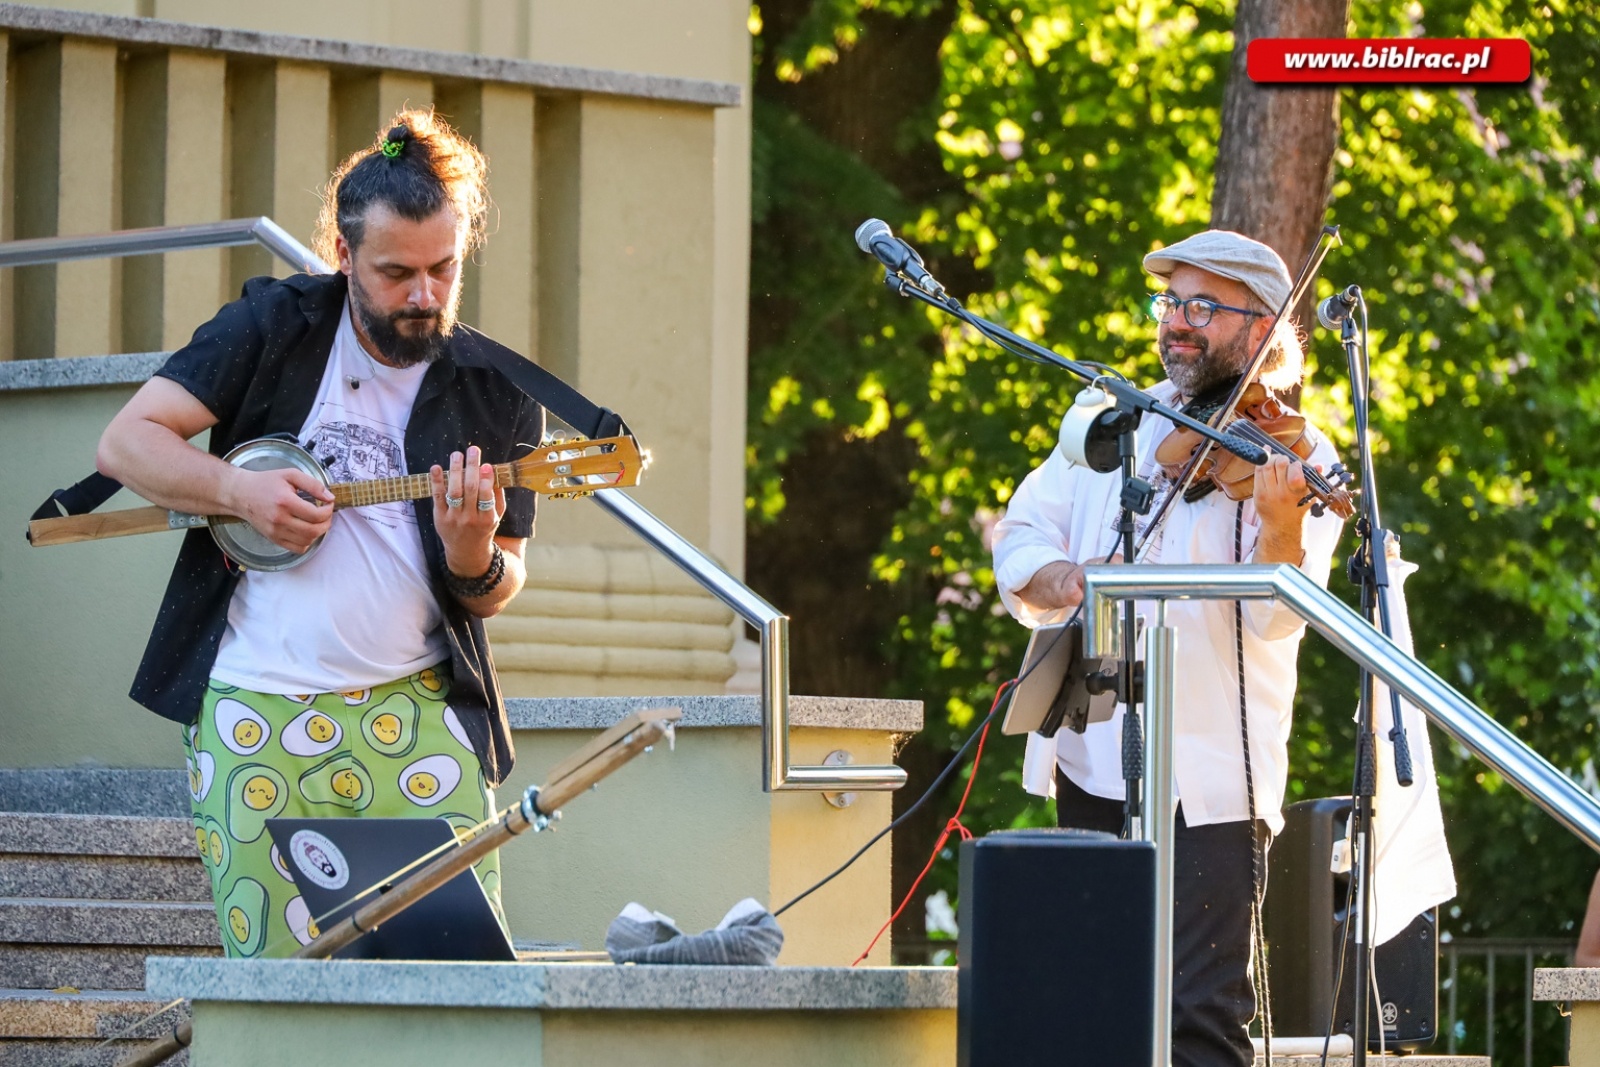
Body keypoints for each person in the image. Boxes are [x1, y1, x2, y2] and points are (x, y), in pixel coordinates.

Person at [95, 108, 545, 958]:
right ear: (344, 257)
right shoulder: (274, 329)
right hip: (253, 707)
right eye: (395, 272)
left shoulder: (497, 387)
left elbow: (501, 579)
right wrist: (238, 489)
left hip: (417, 711)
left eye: (443, 269)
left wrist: (470, 549)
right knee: (278, 986)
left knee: (452, 978)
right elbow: (126, 443)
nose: (422, 296)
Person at [990, 230, 1348, 1067]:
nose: (1177, 323)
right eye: (1170, 303)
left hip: (1215, 780)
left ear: (1261, 329)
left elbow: (1276, 621)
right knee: (1092, 1002)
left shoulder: (1300, 452)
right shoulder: (1105, 418)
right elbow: (1022, 535)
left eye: (1201, 307)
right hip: (1098, 754)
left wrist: (1284, 526)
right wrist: (1071, 581)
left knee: (1200, 1018)